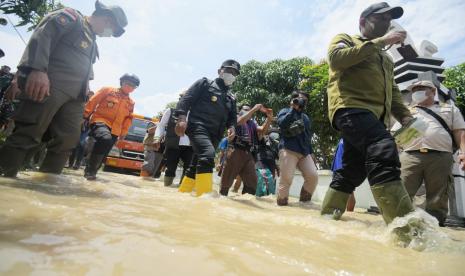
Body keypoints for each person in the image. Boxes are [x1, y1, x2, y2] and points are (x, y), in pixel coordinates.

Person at [0, 1, 128, 177]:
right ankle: (6, 181)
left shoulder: (92, 41)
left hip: (76, 96)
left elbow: (84, 70)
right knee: (29, 132)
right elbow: (43, 36)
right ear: (107, 21)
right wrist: (38, 70)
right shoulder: (72, 18)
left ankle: (47, 186)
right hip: (49, 85)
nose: (109, 35)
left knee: (68, 140)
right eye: (113, 31)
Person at [321, 2, 418, 226]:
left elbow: (392, 90)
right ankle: (405, 230)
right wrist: (382, 42)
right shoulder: (345, 39)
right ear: (363, 22)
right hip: (350, 108)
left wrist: (404, 116)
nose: (387, 23)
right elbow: (336, 59)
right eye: (382, 18)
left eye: (389, 19)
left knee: (352, 171)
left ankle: (327, 219)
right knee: (383, 149)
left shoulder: (387, 59)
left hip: (374, 118)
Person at [398, 80, 465, 226]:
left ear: (433, 92)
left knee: (438, 197)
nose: (417, 92)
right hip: (410, 155)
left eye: (421, 88)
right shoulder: (407, 111)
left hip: (440, 156)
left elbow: (459, 132)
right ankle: (400, 226)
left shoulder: (449, 109)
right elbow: (397, 137)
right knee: (402, 191)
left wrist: (463, 152)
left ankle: (434, 227)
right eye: (414, 89)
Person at [175, 59, 240, 197]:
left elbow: (232, 118)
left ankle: (183, 193)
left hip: (215, 134)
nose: (231, 74)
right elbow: (186, 100)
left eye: (234, 73)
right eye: (228, 70)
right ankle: (205, 198)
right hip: (198, 126)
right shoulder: (205, 83)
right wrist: (181, 118)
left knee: (196, 163)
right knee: (208, 154)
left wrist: (232, 127)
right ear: (219, 71)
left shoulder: (231, 98)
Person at [83, 73, 138, 180]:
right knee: (105, 139)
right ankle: (90, 170)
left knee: (105, 151)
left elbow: (128, 118)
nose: (129, 87)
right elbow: (93, 101)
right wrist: (84, 115)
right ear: (122, 82)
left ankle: (92, 173)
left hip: (115, 129)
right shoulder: (107, 90)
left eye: (133, 86)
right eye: (128, 84)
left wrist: (123, 132)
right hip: (100, 121)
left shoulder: (131, 102)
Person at [219, 103, 273, 196]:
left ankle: (246, 206)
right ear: (240, 111)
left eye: (249, 109)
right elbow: (239, 121)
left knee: (252, 184)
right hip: (235, 150)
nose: (247, 111)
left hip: (248, 153)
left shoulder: (252, 122)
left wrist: (269, 118)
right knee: (226, 184)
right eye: (245, 109)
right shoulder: (235, 118)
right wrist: (254, 109)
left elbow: (263, 130)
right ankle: (221, 202)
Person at [276, 91, 318, 206]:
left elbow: (308, 137)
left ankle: (304, 204)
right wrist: (293, 109)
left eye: (305, 101)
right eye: (300, 99)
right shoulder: (285, 111)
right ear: (293, 100)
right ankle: (282, 205)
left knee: (313, 176)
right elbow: (281, 124)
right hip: (288, 150)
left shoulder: (306, 118)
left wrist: (312, 153)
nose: (302, 102)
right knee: (286, 179)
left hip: (304, 153)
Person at [153, 92, 193, 186]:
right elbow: (161, 126)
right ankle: (167, 188)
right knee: (170, 168)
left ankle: (182, 192)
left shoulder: (195, 115)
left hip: (190, 147)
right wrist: (157, 138)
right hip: (173, 145)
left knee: (189, 170)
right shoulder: (171, 111)